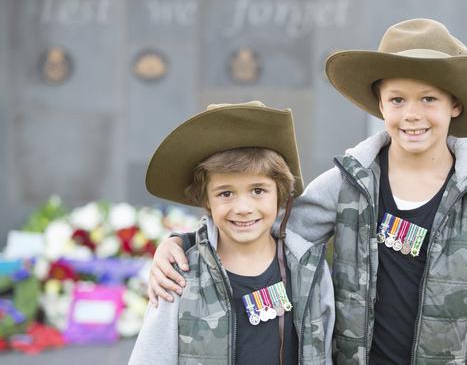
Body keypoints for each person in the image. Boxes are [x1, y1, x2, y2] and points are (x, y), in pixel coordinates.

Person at [149, 19, 467, 364]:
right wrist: (185, 244)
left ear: (455, 104)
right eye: (398, 100)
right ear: (380, 104)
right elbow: (271, 225)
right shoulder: (350, 182)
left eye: (428, 99)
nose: (412, 114)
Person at [129, 101, 334, 365]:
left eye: (258, 190)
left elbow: (325, 350)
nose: (243, 208)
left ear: (280, 193)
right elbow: (151, 356)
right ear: (206, 200)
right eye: (226, 193)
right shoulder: (179, 274)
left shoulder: (309, 271)